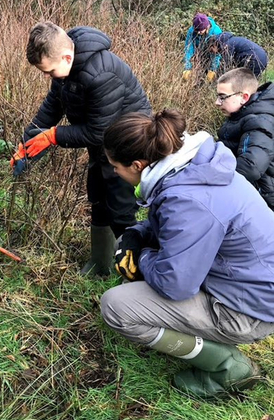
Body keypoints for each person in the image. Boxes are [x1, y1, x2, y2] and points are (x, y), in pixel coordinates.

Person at [100, 109, 274, 398]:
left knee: (117, 307)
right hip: (252, 283)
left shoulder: (188, 199)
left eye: (115, 167)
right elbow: (178, 230)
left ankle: (228, 368)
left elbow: (174, 284)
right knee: (145, 277)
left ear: (137, 164)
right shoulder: (195, 169)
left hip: (252, 309)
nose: (114, 173)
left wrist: (141, 257)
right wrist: (135, 234)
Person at [10, 21, 151, 276]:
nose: (48, 77)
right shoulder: (66, 70)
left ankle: (133, 271)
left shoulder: (100, 74)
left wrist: (53, 136)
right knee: (97, 198)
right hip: (102, 147)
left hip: (127, 148)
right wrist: (27, 144)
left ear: (66, 56)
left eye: (50, 71)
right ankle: (101, 263)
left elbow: (98, 131)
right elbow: (51, 108)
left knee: (120, 210)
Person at [215, 68, 274, 209]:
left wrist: (213, 178)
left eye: (222, 97)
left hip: (263, 200)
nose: (217, 102)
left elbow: (251, 167)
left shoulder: (258, 120)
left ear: (244, 97)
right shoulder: (242, 113)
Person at [183, 12, 222, 83]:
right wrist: (187, 67)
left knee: (210, 80)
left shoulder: (216, 32)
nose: (198, 33)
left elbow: (217, 53)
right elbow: (188, 48)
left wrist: (213, 69)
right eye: (196, 30)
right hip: (198, 56)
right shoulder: (191, 31)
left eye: (200, 31)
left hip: (211, 56)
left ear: (207, 27)